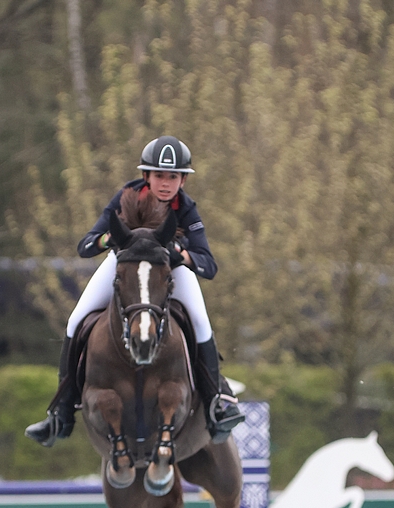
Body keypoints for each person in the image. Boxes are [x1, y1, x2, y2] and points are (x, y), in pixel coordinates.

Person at [25, 135, 245, 447]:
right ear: (146, 177)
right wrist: (111, 240)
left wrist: (179, 255)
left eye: (173, 177)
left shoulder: (187, 209)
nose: (166, 184)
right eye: (159, 176)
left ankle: (216, 404)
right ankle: (60, 412)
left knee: (199, 321)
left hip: (169, 272)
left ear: (182, 180)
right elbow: (87, 245)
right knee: (76, 320)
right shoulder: (126, 197)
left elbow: (208, 265)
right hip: (126, 265)